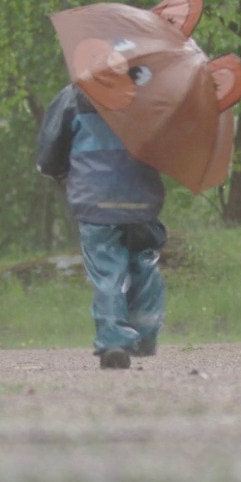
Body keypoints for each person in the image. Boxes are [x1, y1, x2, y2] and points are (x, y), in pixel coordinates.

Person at [37, 82, 168, 369]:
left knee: (107, 269)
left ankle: (114, 341)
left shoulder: (74, 95)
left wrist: (57, 171)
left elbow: (50, 153)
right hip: (140, 198)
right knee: (144, 260)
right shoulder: (149, 95)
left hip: (96, 201)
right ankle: (145, 333)